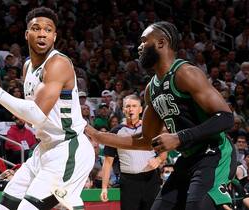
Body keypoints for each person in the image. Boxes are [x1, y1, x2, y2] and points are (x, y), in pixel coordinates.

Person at [85, 21, 236, 210]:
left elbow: (226, 117)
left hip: (215, 152)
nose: (139, 47)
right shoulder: (151, 89)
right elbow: (147, 140)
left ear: (161, 43)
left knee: (198, 206)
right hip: (188, 158)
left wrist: (180, 137)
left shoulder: (186, 73)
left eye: (143, 41)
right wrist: (98, 136)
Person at [0, 7, 94, 210]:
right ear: (26, 33)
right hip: (44, 149)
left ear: (54, 36)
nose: (42, 33)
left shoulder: (58, 63)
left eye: (48, 30)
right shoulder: (27, 66)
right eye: (36, 28)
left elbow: (37, 115)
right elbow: (31, 116)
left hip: (68, 149)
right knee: (3, 207)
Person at [100, 95, 165, 210]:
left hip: (151, 180)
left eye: (134, 106)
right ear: (123, 109)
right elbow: (108, 162)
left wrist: (158, 160)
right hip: (128, 182)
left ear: (140, 109)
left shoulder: (151, 128)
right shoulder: (116, 132)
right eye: (128, 106)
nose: (131, 109)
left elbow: (163, 152)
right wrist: (104, 187)